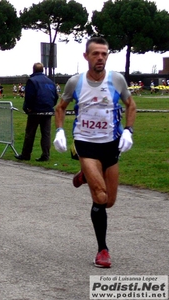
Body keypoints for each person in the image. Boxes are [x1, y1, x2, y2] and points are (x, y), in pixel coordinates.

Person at [53, 37, 136, 268]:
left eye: (104, 54)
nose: (100, 58)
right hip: (86, 143)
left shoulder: (116, 80)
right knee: (99, 197)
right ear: (86, 57)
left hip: (111, 143)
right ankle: (102, 250)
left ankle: (84, 176)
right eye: (95, 54)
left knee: (109, 201)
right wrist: (59, 131)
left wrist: (129, 131)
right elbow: (60, 107)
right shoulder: (75, 82)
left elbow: (131, 105)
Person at [15, 62, 58, 162]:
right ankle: (46, 155)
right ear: (42, 70)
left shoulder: (32, 81)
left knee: (30, 133)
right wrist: (50, 105)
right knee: (46, 134)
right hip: (48, 110)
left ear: (33, 70)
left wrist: (27, 108)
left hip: (35, 110)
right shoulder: (50, 81)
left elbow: (29, 97)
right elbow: (55, 96)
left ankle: (26, 154)